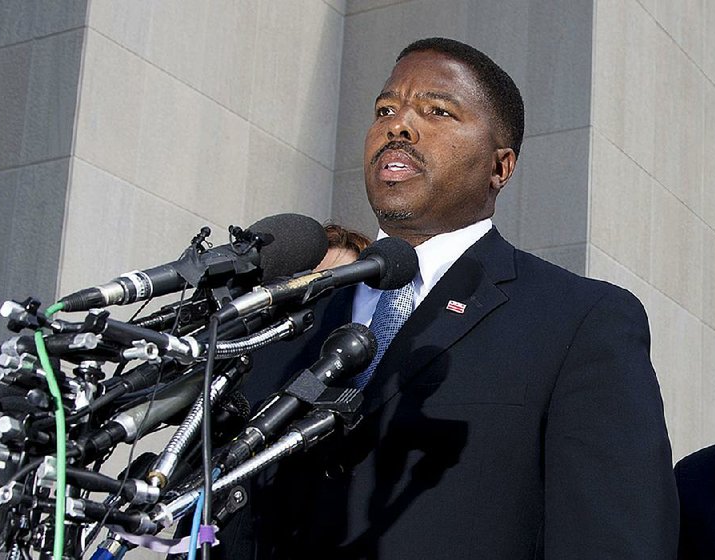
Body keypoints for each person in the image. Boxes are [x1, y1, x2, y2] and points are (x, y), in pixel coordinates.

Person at [220, 37, 679, 559]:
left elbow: (613, 539)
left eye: (437, 110)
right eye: (385, 110)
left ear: (500, 167)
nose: (397, 126)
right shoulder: (290, 320)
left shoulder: (580, 321)